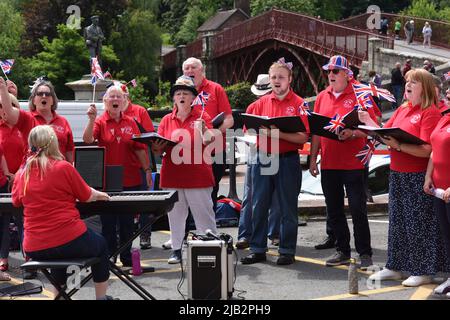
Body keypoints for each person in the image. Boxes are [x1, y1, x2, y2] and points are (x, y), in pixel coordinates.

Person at [367, 69, 448, 287]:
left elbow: (426, 149)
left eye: (413, 82)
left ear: (426, 87)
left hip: (416, 175)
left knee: (418, 225)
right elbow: (386, 131)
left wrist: (400, 146)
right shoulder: (402, 109)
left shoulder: (429, 112)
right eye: (406, 81)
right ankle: (395, 266)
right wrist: (368, 122)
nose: (407, 85)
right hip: (398, 173)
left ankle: (422, 270)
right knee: (397, 222)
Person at [11, 125, 113, 299]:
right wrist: (100, 194)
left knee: (56, 253)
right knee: (101, 245)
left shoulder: (23, 173)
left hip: (34, 247)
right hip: (68, 239)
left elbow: (16, 200)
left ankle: (60, 296)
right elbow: (87, 195)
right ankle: (101, 298)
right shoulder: (63, 167)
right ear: (53, 144)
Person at [240, 58, 309, 266]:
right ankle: (258, 248)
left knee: (287, 207)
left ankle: (286, 250)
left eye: (281, 77)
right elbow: (248, 131)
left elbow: (303, 137)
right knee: (258, 206)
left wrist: (278, 134)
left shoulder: (299, 104)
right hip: (263, 158)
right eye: (273, 77)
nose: (277, 80)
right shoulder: (259, 103)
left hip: (287, 160)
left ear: (289, 80)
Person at [309, 55, 375, 269]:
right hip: (329, 162)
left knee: (358, 209)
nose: (331, 75)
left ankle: (365, 253)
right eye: (329, 71)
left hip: (354, 162)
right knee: (334, 209)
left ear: (347, 74)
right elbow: (317, 131)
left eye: (336, 71)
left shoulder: (360, 94)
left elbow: (374, 125)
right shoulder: (321, 97)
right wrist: (313, 158)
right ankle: (343, 251)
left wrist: (353, 133)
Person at [151, 75, 220, 264]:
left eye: (186, 93)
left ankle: (212, 248)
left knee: (204, 214)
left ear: (192, 98)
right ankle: (176, 249)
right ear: (174, 98)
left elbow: (208, 141)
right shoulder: (166, 119)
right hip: (173, 175)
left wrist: (202, 129)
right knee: (175, 216)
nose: (181, 96)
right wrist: (156, 146)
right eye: (178, 93)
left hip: (198, 175)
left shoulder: (202, 116)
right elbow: (159, 149)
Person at [83, 84, 152, 268]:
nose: (115, 99)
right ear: (105, 101)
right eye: (111, 97)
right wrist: (90, 120)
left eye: (118, 97)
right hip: (106, 181)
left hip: (130, 178)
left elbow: (140, 149)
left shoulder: (131, 122)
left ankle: (127, 257)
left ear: (124, 101)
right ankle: (110, 256)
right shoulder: (99, 121)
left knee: (127, 223)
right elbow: (88, 139)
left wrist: (147, 170)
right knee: (108, 223)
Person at [235, 74, 282, 250]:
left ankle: (273, 233)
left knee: (276, 196)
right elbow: (247, 132)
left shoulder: (277, 104)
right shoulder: (253, 107)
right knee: (251, 196)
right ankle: (246, 234)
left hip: (276, 152)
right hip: (257, 153)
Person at [182, 57, 234, 212]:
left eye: (193, 67)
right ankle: (188, 232)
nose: (190, 71)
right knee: (189, 194)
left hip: (214, 150)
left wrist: (215, 132)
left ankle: (208, 233)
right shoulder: (181, 92)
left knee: (210, 192)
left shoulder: (216, 88)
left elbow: (229, 119)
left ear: (202, 71)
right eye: (187, 68)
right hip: (189, 152)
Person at [0, 77, 75, 163]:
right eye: (40, 93)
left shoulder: (63, 121)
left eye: (48, 94)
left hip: (57, 171)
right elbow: (9, 112)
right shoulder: (27, 118)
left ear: (53, 100)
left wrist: (70, 170)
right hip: (34, 171)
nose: (44, 96)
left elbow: (69, 152)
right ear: (34, 100)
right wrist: (3, 88)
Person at [119, 83, 155, 250]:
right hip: (120, 166)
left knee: (144, 202)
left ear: (127, 97)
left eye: (122, 96)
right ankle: (122, 237)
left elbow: (150, 136)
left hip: (139, 163)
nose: (120, 99)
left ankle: (145, 235)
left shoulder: (139, 111)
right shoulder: (111, 112)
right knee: (121, 204)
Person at [424, 102, 450, 295]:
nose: (447, 96)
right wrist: (428, 176)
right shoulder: (444, 117)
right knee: (446, 236)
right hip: (439, 190)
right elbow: (434, 150)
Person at [0, 86, 26, 274]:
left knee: (23, 221)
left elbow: (30, 152)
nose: (2, 109)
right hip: (3, 182)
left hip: (23, 180)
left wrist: (19, 173)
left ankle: (30, 256)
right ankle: (3, 258)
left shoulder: (22, 128)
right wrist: (8, 174)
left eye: (5, 105)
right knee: (3, 222)